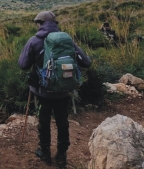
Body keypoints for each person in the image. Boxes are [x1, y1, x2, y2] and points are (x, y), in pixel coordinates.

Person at [18, 11, 91, 168]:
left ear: (39, 24)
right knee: (62, 122)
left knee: (44, 122)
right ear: (55, 24)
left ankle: (45, 153)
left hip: (42, 92)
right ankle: (61, 155)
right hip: (63, 91)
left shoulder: (34, 41)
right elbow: (86, 62)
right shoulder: (66, 41)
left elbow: (23, 64)